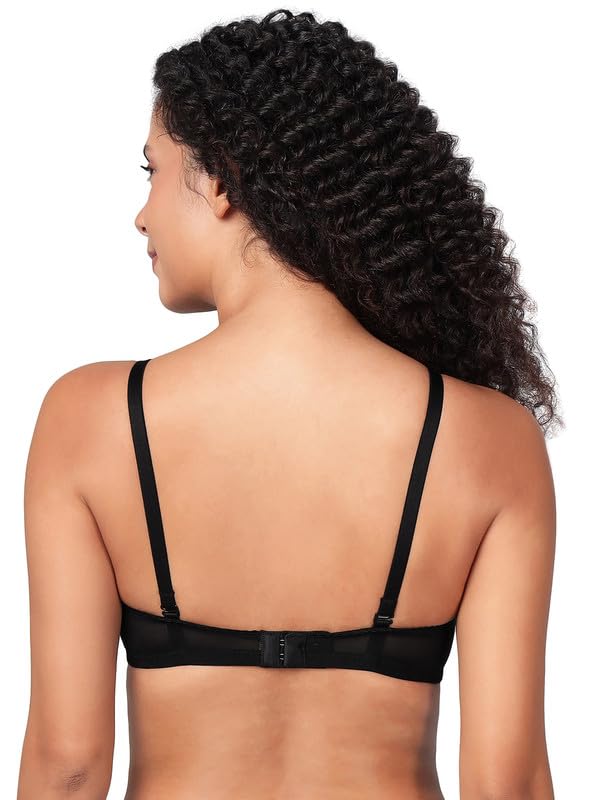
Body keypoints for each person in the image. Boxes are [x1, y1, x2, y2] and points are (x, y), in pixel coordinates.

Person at [17, 9, 561, 799]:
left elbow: (67, 765)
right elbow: (506, 783)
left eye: (151, 170)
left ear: (220, 179)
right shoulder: (489, 439)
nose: (141, 213)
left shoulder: (91, 419)